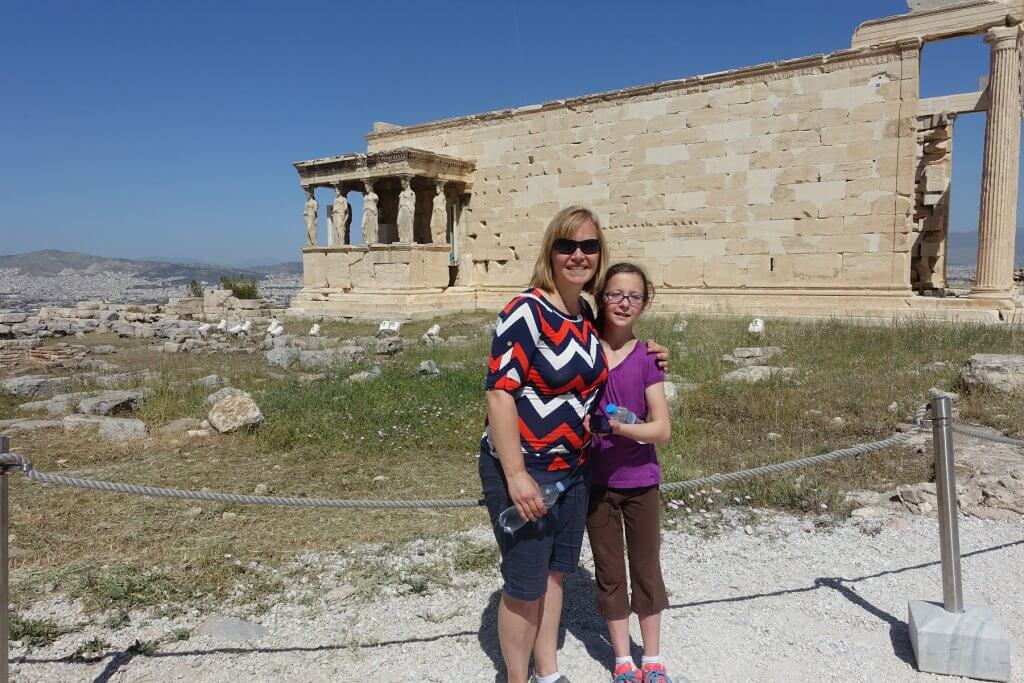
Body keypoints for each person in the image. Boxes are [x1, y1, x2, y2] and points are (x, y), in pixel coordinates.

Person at [481, 207, 667, 683]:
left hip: (574, 467)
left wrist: (651, 351)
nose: (578, 255)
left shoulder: (584, 312)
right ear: (550, 251)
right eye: (567, 245)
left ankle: (549, 674)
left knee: (556, 573)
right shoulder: (525, 309)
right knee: (524, 585)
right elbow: (501, 393)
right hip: (530, 468)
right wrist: (516, 473)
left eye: (589, 246)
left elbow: (612, 351)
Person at [586, 262, 674, 683]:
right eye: (615, 294)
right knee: (608, 569)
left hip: (641, 481)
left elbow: (663, 428)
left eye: (633, 296)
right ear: (600, 298)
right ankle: (623, 658)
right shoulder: (584, 349)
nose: (623, 303)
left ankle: (652, 658)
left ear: (645, 302)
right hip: (597, 482)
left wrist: (620, 428)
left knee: (645, 567)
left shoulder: (647, 358)